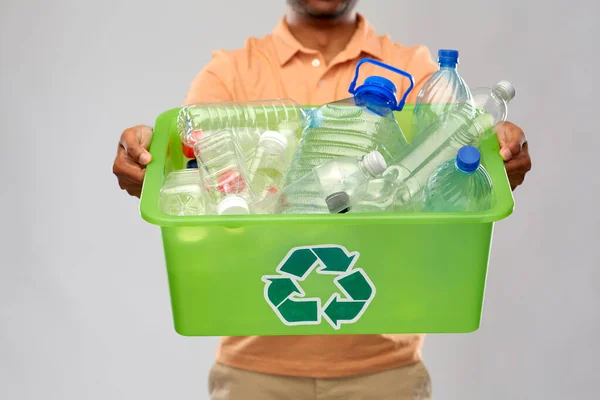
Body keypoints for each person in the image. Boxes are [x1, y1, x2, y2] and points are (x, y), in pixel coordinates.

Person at [113, 0, 532, 398]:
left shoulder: (415, 69)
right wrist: (143, 163)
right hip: (252, 372)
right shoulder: (232, 72)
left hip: (386, 371)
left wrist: (493, 161)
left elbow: (453, 170)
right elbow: (187, 164)